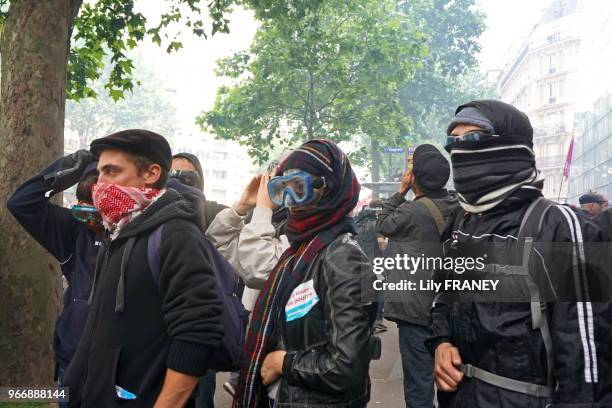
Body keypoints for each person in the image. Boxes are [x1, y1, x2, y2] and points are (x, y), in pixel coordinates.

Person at [428, 100, 612, 407]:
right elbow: (444, 296)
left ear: (510, 146)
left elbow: (586, 364)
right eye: (452, 142)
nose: (459, 151)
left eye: (471, 139)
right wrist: (442, 341)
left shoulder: (557, 226)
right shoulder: (462, 222)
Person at [62, 129, 224, 408]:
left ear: (151, 173)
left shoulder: (177, 235)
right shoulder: (117, 235)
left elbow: (197, 332)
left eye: (112, 171)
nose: (100, 184)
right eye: (100, 173)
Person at [233, 139, 377, 408]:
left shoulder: (344, 257)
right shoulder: (299, 253)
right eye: (282, 190)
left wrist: (283, 362)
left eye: (300, 188)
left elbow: (347, 366)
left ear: (330, 188)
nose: (290, 202)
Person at [6, 151, 101, 397]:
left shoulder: (137, 233)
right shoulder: (72, 230)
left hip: (118, 366)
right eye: (83, 211)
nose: (89, 220)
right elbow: (22, 203)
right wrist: (74, 166)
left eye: (95, 213)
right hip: (71, 358)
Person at [376, 144, 457, 408]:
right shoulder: (458, 206)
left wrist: (400, 191)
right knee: (451, 382)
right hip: (450, 307)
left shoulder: (411, 211)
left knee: (419, 385)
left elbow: (383, 224)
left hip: (416, 311)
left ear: (416, 180)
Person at [206, 166, 290, 397]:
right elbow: (218, 253)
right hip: (257, 331)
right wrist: (240, 208)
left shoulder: (303, 232)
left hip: (286, 347)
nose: (274, 188)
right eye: (271, 180)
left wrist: (263, 211)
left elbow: (260, 269)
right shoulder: (261, 222)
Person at [170, 153, 227, 408]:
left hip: (203, 326)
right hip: (166, 329)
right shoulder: (156, 216)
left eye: (188, 175)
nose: (180, 181)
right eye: (172, 175)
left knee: (202, 398)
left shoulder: (213, 212)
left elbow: (238, 221)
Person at [354, 199, 388, 333]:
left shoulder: (356, 221)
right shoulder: (377, 224)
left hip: (357, 263)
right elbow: (382, 245)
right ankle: (377, 320)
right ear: (379, 209)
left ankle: (361, 321)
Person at [171, 152, 227, 229]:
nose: (176, 183)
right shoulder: (154, 213)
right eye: (171, 176)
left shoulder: (215, 212)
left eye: (188, 177)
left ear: (199, 182)